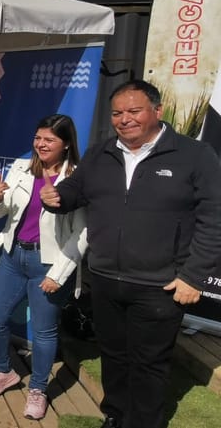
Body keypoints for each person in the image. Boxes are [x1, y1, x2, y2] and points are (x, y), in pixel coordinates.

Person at [40, 80, 221, 428]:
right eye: (117, 113)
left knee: (149, 364)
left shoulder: (195, 156)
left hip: (160, 285)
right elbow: (75, 190)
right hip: (106, 279)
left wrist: (194, 276)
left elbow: (214, 219)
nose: (124, 119)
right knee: (114, 356)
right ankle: (116, 415)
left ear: (157, 111)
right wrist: (57, 198)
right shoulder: (101, 153)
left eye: (134, 111)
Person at [0, 114, 87, 420]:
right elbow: (0, 212)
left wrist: (59, 274)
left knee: (44, 331)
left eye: (49, 140)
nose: (41, 144)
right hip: (13, 255)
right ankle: (3, 371)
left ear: (66, 144)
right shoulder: (21, 167)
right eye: (38, 137)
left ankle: (38, 389)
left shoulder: (77, 178)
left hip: (48, 264)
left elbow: (83, 233)